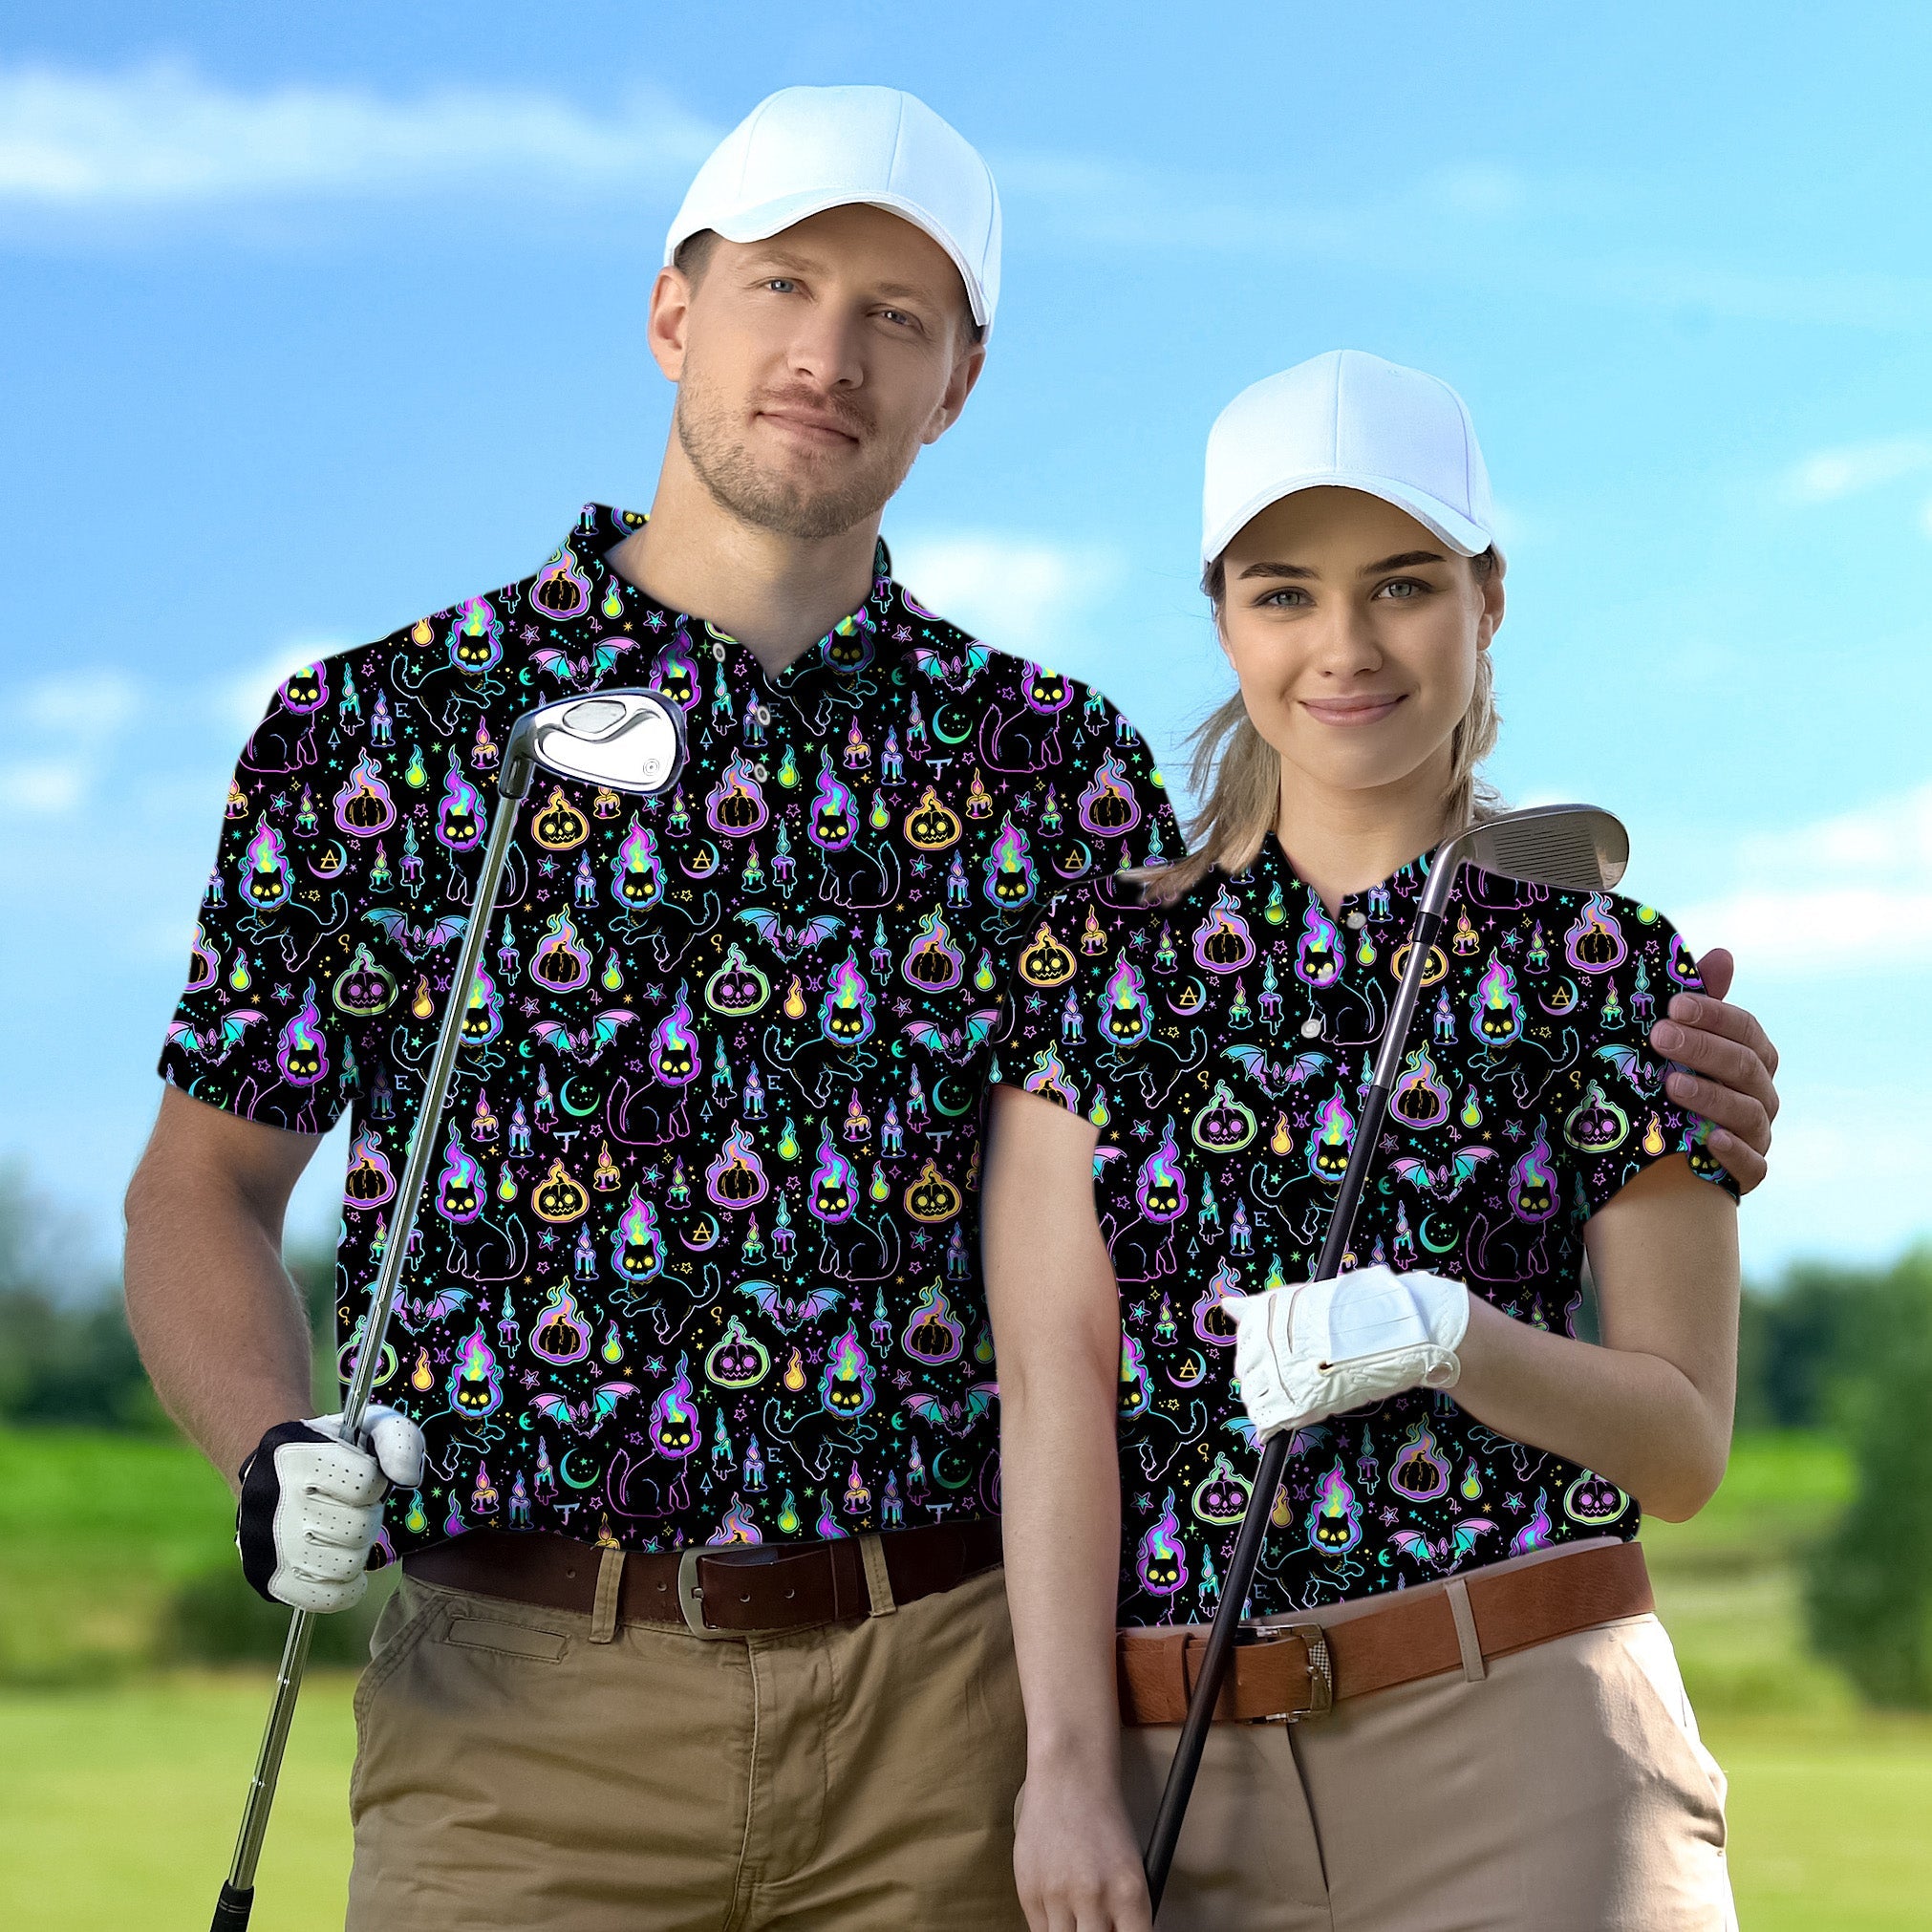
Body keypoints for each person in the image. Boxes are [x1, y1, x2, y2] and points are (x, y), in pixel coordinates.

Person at [118, 79, 1778, 1928]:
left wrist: (1638, 1056)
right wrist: (269, 1445)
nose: (827, 355)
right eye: (781, 285)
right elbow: (201, 1186)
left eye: (894, 316)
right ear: (672, 309)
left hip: (948, 1709)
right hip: (516, 1712)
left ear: (958, 381)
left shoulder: (1051, 767)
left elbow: (1266, 1088)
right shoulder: (389, 729)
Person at [984, 351, 1750, 1930]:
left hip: (1530, 1740)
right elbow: (1056, 1388)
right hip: (1184, 1773)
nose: (1343, 645)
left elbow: (1679, 1449)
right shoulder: (1094, 969)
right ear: (1222, 619)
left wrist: (1447, 1334)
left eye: (1401, 584)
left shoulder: (1604, 965)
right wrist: (1061, 1765)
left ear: (1486, 599)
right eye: (1284, 594)